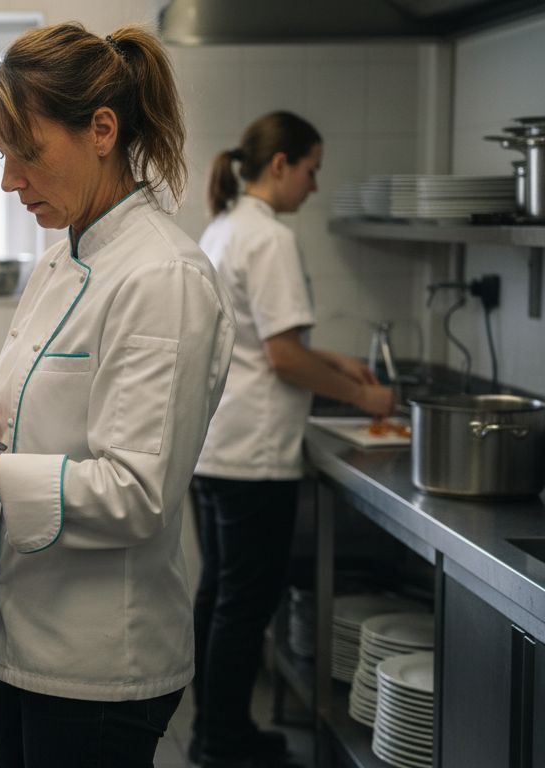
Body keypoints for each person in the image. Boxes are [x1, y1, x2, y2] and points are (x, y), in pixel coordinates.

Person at [0, 22, 236, 768]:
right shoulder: (61, 260)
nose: (9, 181)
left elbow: (135, 492)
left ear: (102, 130)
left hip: (100, 662)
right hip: (26, 638)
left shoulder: (163, 278)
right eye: (3, 157)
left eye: (26, 155)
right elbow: (61, 436)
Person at [188, 111, 395, 768]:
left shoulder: (222, 229)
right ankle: (223, 741)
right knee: (243, 606)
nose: (313, 185)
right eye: (311, 169)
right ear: (281, 165)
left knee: (219, 595)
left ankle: (212, 731)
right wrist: (366, 397)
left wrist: (331, 361)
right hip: (252, 455)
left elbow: (258, 342)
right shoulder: (270, 239)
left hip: (213, 443)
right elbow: (279, 358)